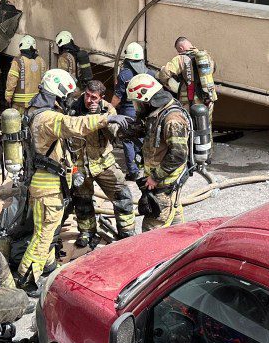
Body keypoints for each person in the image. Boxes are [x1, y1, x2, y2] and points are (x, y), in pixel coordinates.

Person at [15, 69, 131, 292]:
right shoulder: (48, 117)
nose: (67, 101)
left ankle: (47, 268)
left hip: (47, 181)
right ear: (56, 94)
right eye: (64, 97)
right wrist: (106, 118)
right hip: (47, 185)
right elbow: (72, 126)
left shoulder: (34, 110)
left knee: (50, 230)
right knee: (43, 235)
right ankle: (26, 281)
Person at [68, 80, 136, 248]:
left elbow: (114, 135)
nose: (90, 100)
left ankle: (127, 234)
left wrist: (101, 117)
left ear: (101, 98)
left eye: (94, 98)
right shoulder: (72, 106)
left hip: (103, 162)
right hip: (79, 163)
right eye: (88, 96)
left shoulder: (107, 109)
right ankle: (87, 232)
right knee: (82, 201)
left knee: (122, 196)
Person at [123, 73, 192, 231]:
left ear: (146, 97)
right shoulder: (158, 111)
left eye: (138, 102)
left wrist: (155, 177)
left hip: (164, 184)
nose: (137, 106)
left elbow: (179, 154)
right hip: (164, 185)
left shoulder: (172, 119)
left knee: (151, 230)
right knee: (175, 221)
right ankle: (181, 248)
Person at [110, 42, 154, 180]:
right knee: (142, 137)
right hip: (146, 111)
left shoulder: (124, 75)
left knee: (128, 140)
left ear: (127, 58)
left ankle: (133, 171)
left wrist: (109, 110)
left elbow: (117, 96)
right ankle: (145, 164)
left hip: (128, 110)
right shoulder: (150, 73)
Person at [158, 36, 218, 121]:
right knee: (206, 124)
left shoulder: (180, 58)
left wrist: (165, 82)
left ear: (181, 48)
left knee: (188, 124)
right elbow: (213, 70)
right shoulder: (205, 56)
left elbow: (165, 73)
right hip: (208, 97)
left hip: (189, 100)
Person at [4, 35, 45, 115]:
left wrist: (8, 96)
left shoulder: (18, 61)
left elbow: (12, 80)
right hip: (36, 102)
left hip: (20, 103)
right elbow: (44, 79)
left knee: (18, 124)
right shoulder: (41, 60)